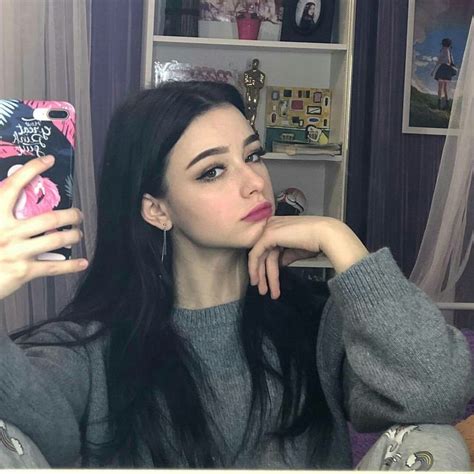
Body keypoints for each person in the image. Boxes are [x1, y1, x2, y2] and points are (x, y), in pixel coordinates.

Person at [0, 81, 472, 469]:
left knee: (436, 446)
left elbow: (441, 395)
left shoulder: (318, 324)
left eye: (252, 155)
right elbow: (33, 439)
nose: (254, 182)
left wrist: (342, 241)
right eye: (212, 172)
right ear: (157, 209)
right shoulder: (89, 348)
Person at [431, 37, 457, 110]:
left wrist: (433, 71)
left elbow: (439, 61)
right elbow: (451, 61)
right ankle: (446, 105)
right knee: (445, 88)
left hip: (443, 69)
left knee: (440, 88)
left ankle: (439, 105)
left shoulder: (444, 50)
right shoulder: (449, 51)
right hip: (447, 70)